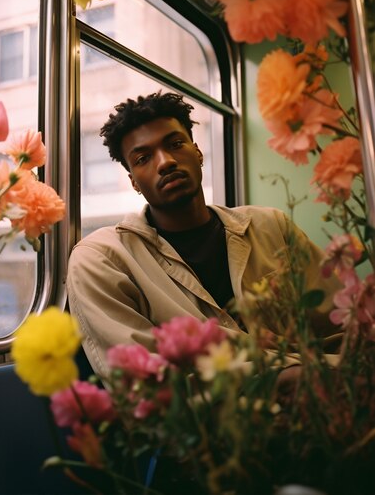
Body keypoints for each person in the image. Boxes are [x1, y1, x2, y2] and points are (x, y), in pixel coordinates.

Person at [66, 91, 339, 379]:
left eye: (175, 144)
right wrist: (279, 369)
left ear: (197, 153)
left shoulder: (272, 227)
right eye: (144, 158)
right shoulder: (103, 259)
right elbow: (144, 385)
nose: (165, 162)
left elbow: (340, 328)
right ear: (133, 181)